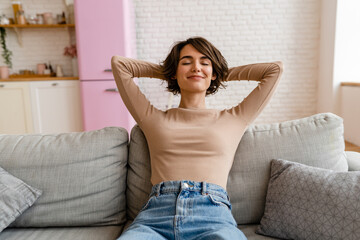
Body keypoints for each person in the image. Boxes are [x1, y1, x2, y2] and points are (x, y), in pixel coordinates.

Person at [111, 37, 283, 240]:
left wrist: (216, 73)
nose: (195, 67)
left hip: (213, 217)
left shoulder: (234, 118)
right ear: (174, 72)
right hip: (155, 218)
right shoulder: (152, 118)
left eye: (204, 62)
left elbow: (274, 70)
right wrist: (171, 71)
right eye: (186, 62)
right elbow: (119, 65)